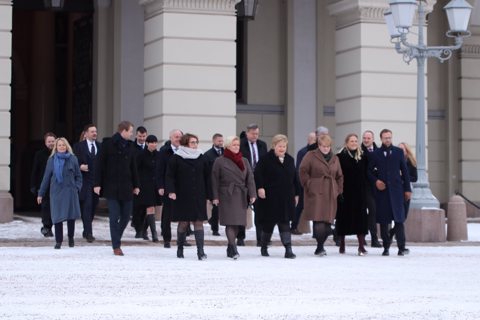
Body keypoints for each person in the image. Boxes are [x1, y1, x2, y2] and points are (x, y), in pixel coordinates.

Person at [94, 121, 140, 256]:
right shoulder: (107, 144)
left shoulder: (131, 146)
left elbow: (134, 167)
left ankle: (116, 237)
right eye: (131, 131)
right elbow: (99, 165)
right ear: (123, 131)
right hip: (112, 187)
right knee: (114, 217)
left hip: (127, 186)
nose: (132, 134)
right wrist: (97, 184)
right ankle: (116, 246)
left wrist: (136, 185)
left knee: (126, 216)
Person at [165, 133, 211, 260]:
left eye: (196, 142)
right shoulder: (176, 158)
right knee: (184, 222)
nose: (195, 145)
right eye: (192, 142)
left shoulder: (202, 157)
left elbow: (207, 177)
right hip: (182, 195)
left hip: (198, 195)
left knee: (198, 222)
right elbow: (169, 176)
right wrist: (171, 191)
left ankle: (200, 251)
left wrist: (210, 194)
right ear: (185, 143)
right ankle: (180, 248)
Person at [367, 129, 412, 256]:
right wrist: (376, 182)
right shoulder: (375, 154)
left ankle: (401, 247)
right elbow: (369, 172)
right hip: (383, 193)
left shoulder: (398, 153)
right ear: (381, 139)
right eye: (385, 138)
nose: (388, 140)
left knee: (399, 220)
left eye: (390, 137)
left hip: (397, 191)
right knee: (384, 221)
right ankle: (386, 247)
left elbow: (405, 172)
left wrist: (407, 189)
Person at [255, 134, 300, 259]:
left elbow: (295, 178)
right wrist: (260, 187)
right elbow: (258, 175)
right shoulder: (265, 159)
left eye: (284, 146)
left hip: (286, 197)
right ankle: (264, 246)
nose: (282, 149)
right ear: (274, 146)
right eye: (280, 146)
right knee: (269, 224)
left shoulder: (290, 160)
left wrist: (296, 194)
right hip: (270, 198)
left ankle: (288, 249)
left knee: (284, 223)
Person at [211, 136, 256, 259]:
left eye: (238, 145)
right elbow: (214, 180)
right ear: (227, 146)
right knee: (230, 223)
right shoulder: (220, 161)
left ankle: (230, 247)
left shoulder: (244, 160)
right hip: (227, 195)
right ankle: (233, 248)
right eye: (233, 145)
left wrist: (252, 194)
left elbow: (250, 178)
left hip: (241, 194)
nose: (236, 147)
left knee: (237, 224)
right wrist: (215, 196)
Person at [299, 134, 343, 256]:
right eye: (323, 146)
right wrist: (309, 184)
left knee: (328, 221)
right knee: (318, 220)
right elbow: (302, 170)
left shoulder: (335, 158)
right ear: (319, 145)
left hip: (330, 192)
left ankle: (327, 238)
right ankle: (320, 247)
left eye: (328, 146)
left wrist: (338, 190)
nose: (325, 148)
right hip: (316, 191)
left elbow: (340, 176)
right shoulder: (310, 155)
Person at [37, 138, 82, 249]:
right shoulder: (51, 160)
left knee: (70, 217)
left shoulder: (73, 159)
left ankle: (71, 238)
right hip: (56, 193)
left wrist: (77, 187)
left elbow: (79, 176)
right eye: (59, 145)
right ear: (56, 147)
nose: (61, 147)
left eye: (63, 145)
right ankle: (58, 241)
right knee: (57, 217)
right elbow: (46, 178)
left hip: (70, 192)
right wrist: (40, 193)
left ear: (67, 146)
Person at [335, 134, 369, 255]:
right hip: (345, 192)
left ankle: (361, 246)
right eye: (351, 141)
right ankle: (342, 243)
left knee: (361, 219)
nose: (354, 143)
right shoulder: (339, 157)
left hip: (359, 193)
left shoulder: (363, 157)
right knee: (344, 218)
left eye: (356, 141)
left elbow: (366, 174)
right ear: (346, 142)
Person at [238, 123, 268, 246]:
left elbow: (264, 163)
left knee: (260, 211)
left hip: (259, 181)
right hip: (244, 181)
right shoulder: (240, 144)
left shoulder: (262, 145)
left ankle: (260, 238)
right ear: (247, 133)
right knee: (242, 209)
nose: (255, 136)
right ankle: (240, 237)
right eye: (253, 133)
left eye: (257, 133)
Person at [73, 124, 101, 243]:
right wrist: (80, 166)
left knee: (94, 205)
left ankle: (86, 229)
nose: (94, 133)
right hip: (84, 181)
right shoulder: (78, 146)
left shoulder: (101, 146)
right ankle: (88, 232)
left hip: (97, 182)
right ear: (86, 133)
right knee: (87, 206)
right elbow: (73, 162)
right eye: (92, 131)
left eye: (95, 131)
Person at [158, 129, 183, 248]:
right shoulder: (164, 151)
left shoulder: (185, 151)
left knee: (184, 214)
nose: (178, 139)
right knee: (167, 214)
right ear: (171, 138)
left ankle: (182, 238)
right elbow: (159, 170)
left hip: (182, 187)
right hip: (168, 187)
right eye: (176, 137)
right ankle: (166, 239)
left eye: (180, 137)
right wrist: (161, 186)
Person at [30, 132, 56, 237]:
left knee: (55, 208)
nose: (51, 143)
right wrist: (33, 185)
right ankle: (46, 227)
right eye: (49, 141)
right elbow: (34, 171)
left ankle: (52, 226)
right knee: (46, 207)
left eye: (53, 141)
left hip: (57, 186)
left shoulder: (60, 153)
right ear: (45, 143)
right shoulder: (39, 154)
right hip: (44, 186)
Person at [136, 134, 161, 243]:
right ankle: (154, 234)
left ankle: (143, 229)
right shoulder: (141, 155)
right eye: (152, 142)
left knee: (150, 209)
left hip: (156, 186)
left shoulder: (159, 155)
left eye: (155, 142)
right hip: (144, 186)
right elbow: (136, 170)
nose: (154, 144)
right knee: (149, 208)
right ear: (147, 143)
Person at [291, 131, 316, 234]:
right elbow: (299, 169)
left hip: (314, 184)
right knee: (300, 205)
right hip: (304, 183)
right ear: (309, 140)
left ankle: (315, 230)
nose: (315, 142)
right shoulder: (303, 152)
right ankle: (293, 226)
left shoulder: (318, 151)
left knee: (315, 206)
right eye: (314, 140)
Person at [361, 130, 382, 248]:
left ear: (373, 139)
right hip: (363, 187)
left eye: (368, 138)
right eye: (364, 138)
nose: (366, 140)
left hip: (376, 187)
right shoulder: (358, 151)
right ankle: (363, 238)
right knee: (363, 213)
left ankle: (374, 238)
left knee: (373, 212)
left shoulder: (378, 152)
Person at [204, 133, 224, 236]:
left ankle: (212, 220)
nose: (221, 143)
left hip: (224, 185)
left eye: (222, 141)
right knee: (216, 207)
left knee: (222, 207)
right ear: (213, 141)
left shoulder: (226, 153)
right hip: (213, 184)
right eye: (219, 141)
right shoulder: (208, 155)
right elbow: (206, 172)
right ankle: (215, 229)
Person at [132, 126, 148, 237]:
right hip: (135, 182)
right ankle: (138, 229)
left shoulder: (149, 147)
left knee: (146, 208)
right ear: (136, 135)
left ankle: (144, 229)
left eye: (143, 136)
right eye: (140, 136)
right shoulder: (132, 148)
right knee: (137, 207)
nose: (142, 138)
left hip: (147, 183)